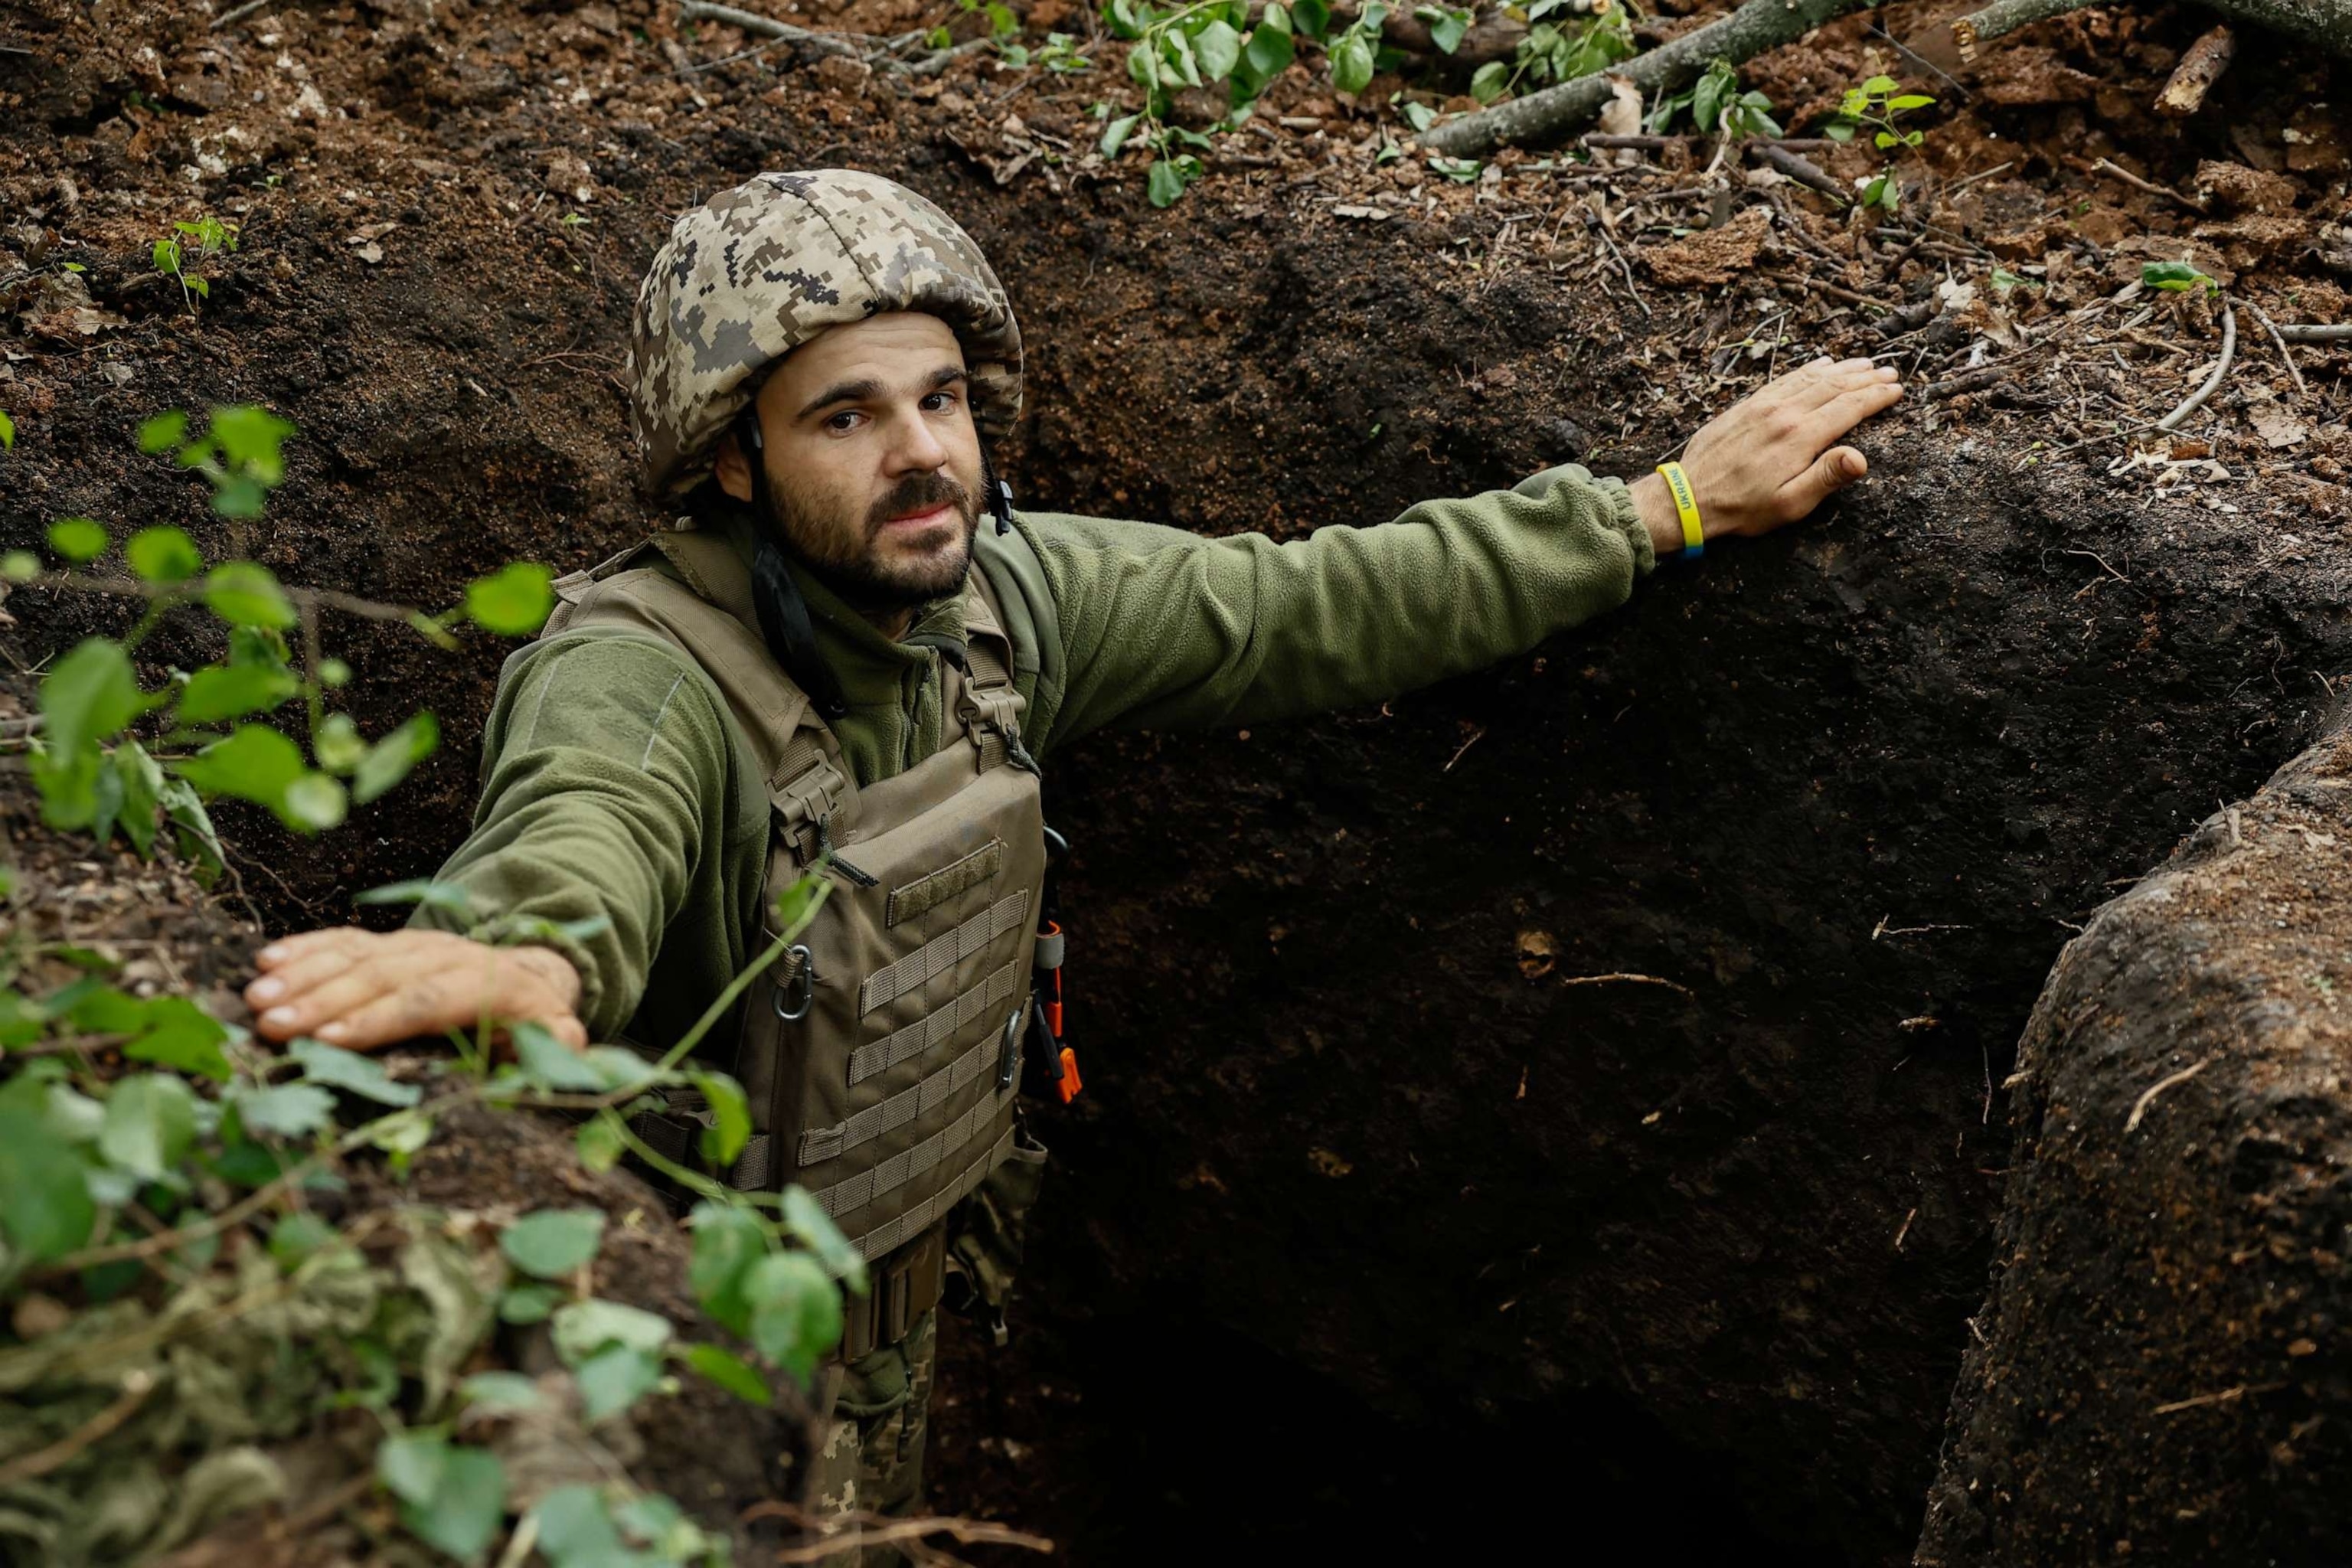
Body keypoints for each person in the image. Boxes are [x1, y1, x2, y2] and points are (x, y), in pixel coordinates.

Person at [240, 169, 1903, 1552]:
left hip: (904, 1291)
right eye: (849, 415)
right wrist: (533, 954)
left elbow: (1316, 601)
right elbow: (586, 827)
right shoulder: (644, 672)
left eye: (943, 398)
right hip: (675, 1349)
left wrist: (1658, 508)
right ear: (730, 459)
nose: (922, 453)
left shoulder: (1001, 606)